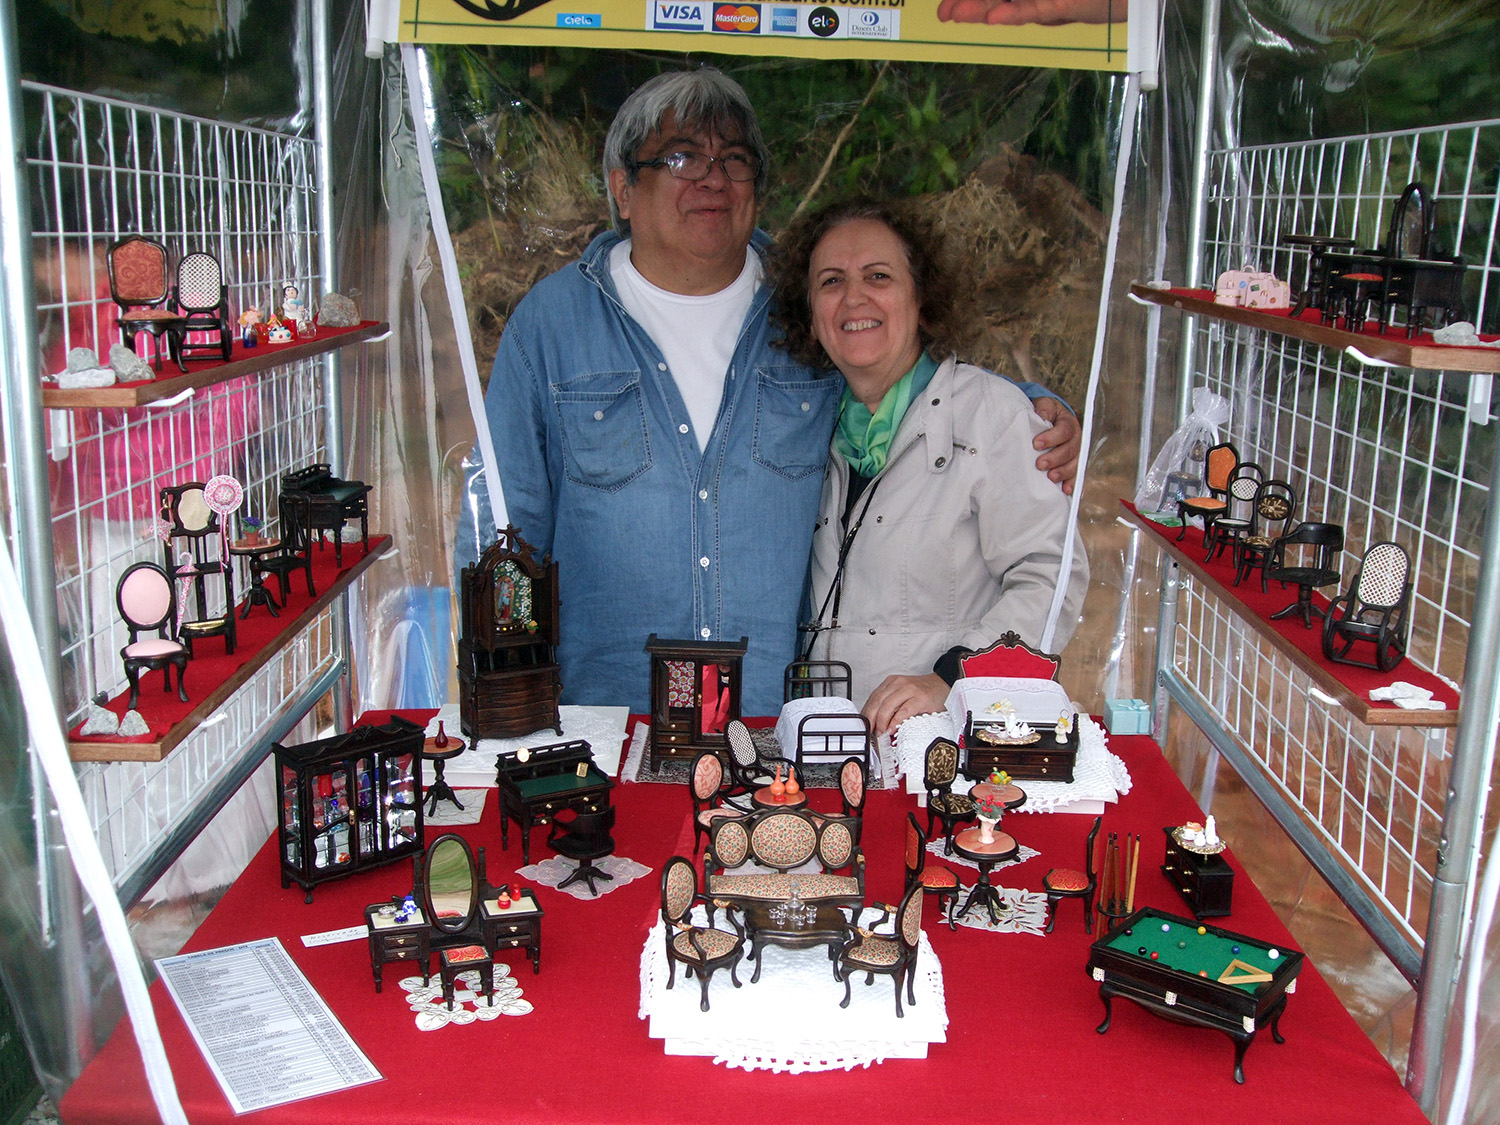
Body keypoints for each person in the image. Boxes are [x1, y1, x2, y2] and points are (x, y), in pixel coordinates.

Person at [463, 68, 1081, 715]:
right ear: (623, 188)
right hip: (609, 719)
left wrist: (1031, 403)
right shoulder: (550, 325)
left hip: (771, 730)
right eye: (682, 157)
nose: (713, 178)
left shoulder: (802, 306)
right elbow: (502, 525)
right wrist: (506, 698)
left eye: (735, 159)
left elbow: (902, 371)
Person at [769, 197, 1090, 735]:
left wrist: (953, 679)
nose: (854, 298)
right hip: (830, 743)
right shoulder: (808, 428)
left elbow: (1053, 576)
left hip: (944, 743)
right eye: (830, 281)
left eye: (878, 275)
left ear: (921, 296)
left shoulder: (994, 415)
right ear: (810, 312)